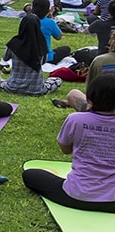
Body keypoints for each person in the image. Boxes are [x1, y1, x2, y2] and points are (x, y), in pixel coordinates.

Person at [22, 74, 115, 212]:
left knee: (30, 175)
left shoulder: (75, 119)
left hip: (77, 195)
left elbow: (65, 149)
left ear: (90, 98)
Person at [0, 4, 62, 96]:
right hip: (36, 89)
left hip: (13, 86)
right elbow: (43, 62)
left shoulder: (14, 43)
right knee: (57, 80)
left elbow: (5, 58)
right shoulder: (42, 44)